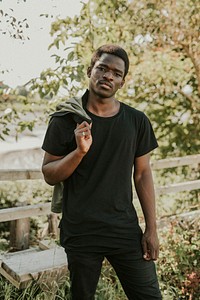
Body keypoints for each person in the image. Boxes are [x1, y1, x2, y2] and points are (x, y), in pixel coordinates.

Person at [41, 44, 162, 300]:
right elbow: (49, 174)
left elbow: (142, 175)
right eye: (102, 68)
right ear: (90, 71)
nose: (108, 76)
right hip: (81, 231)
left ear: (121, 82)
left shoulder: (136, 121)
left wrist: (151, 229)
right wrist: (79, 152)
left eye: (116, 74)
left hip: (124, 230)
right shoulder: (65, 119)